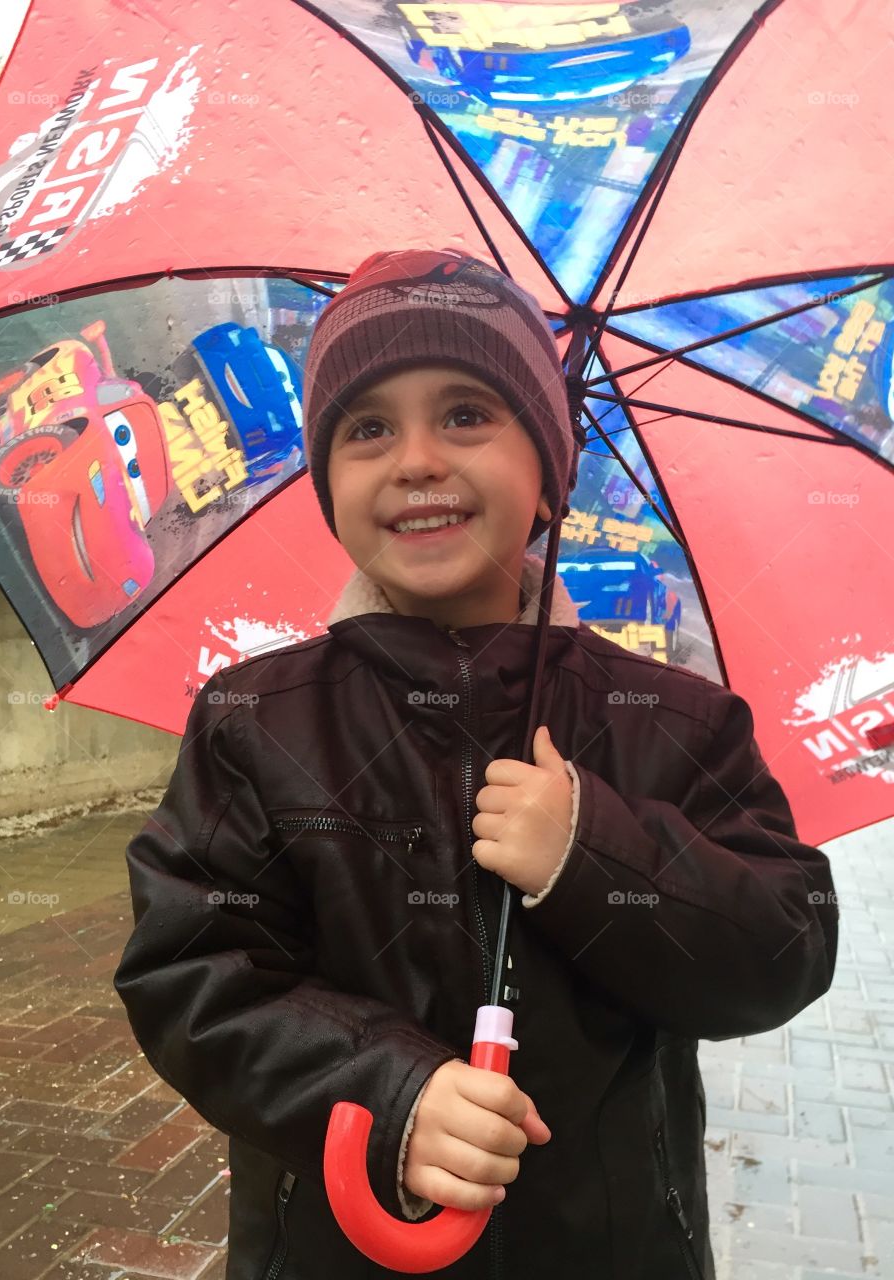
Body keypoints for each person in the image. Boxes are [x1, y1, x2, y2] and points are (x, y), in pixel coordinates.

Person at [113, 248, 840, 1280]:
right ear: (327, 479)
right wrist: (387, 1089)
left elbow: (785, 946)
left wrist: (593, 855)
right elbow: (193, 974)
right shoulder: (255, 721)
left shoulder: (677, 721)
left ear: (549, 464)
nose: (415, 459)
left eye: (465, 414)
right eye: (367, 428)